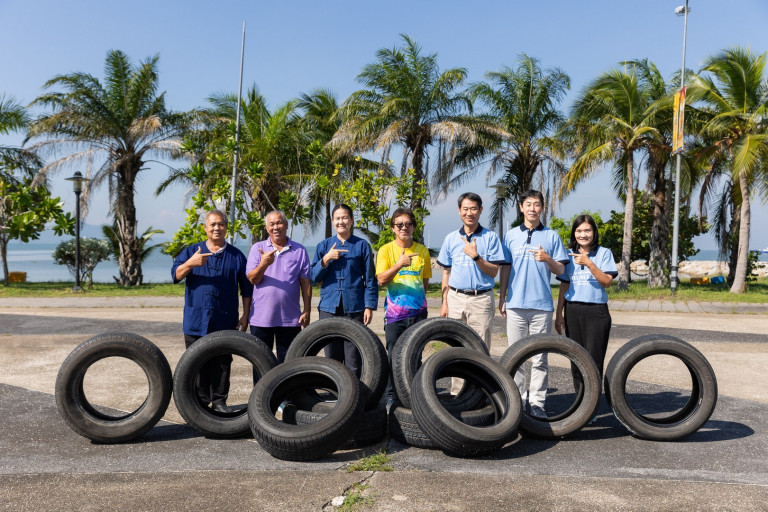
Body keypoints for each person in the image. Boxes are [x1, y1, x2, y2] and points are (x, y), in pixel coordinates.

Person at [171, 209, 252, 414]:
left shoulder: (236, 256)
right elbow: (176, 275)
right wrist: (191, 263)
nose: (217, 228)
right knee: (196, 364)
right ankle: (198, 404)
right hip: (195, 320)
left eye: (221, 224)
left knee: (222, 363)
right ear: (205, 228)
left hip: (224, 319)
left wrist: (245, 315)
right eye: (213, 224)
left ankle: (219, 402)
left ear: (226, 227)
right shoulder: (192, 251)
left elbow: (247, 290)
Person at [499, 190, 569, 418]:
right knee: (516, 356)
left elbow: (562, 270)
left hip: (541, 306)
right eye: (528, 204)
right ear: (521, 207)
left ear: (542, 208)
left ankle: (537, 403)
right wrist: (502, 297)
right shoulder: (510, 235)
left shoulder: (551, 236)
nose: (532, 208)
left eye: (536, 204)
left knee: (540, 358)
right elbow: (505, 268)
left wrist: (548, 259)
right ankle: (517, 401)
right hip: (515, 304)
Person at [310, 204, 378, 377]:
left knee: (353, 356)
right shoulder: (323, 246)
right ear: (332, 221)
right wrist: (326, 259)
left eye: (345, 218)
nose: (341, 222)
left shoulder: (362, 245)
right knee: (331, 355)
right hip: (328, 307)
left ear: (352, 220)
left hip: (354, 306)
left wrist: (369, 306)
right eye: (337, 218)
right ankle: (334, 390)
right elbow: (314, 277)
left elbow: (370, 278)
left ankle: (355, 390)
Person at [555, 214, 617, 402]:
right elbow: (564, 285)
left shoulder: (604, 253)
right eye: (579, 230)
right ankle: (580, 403)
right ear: (574, 233)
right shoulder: (567, 255)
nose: (583, 234)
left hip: (596, 312)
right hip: (572, 310)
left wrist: (589, 263)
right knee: (575, 359)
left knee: (593, 360)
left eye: (587, 230)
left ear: (594, 232)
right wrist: (559, 314)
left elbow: (607, 282)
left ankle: (592, 404)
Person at [375, 207, 432, 404]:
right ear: (393, 228)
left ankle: (415, 394)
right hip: (394, 315)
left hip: (418, 313)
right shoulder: (386, 250)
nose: (404, 228)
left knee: (416, 355)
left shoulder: (422, 251)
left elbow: (424, 283)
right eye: (399, 225)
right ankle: (391, 396)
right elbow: (381, 280)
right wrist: (399, 264)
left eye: (408, 224)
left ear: (414, 227)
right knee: (394, 356)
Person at [437, 192, 505, 351]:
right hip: (455, 299)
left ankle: (478, 369)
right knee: (455, 347)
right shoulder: (451, 238)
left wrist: (476, 257)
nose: (469, 213)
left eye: (474, 209)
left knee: (480, 348)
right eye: (465, 209)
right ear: (459, 210)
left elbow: (494, 272)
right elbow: (446, 273)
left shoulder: (491, 237)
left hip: (480, 300)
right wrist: (444, 303)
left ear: (480, 210)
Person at [246, 210, 311, 364]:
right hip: (261, 319)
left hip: (290, 319)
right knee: (261, 364)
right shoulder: (258, 248)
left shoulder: (300, 250)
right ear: (266, 228)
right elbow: (252, 279)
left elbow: (305, 283)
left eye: (279, 223)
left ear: (286, 225)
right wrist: (264, 264)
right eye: (272, 224)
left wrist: (307, 310)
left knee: (288, 365)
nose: (276, 227)